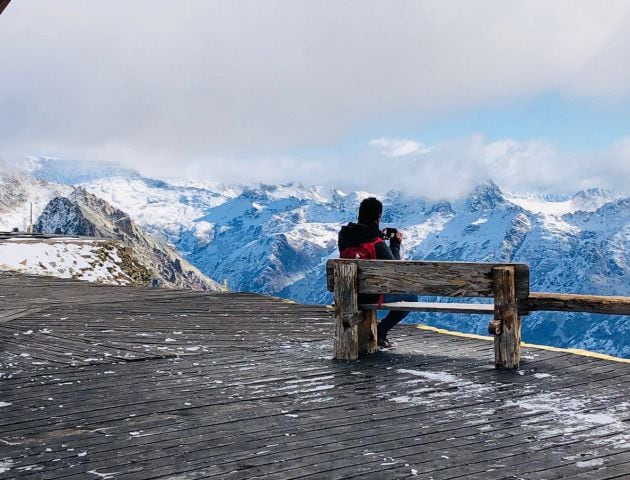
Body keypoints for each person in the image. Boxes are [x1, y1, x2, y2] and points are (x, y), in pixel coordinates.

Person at [337, 197, 417, 349]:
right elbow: (395, 272)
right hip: (372, 295)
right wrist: (395, 245)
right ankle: (381, 333)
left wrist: (378, 235)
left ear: (359, 214)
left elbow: (363, 237)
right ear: (378, 217)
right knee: (411, 296)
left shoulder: (345, 236)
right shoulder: (377, 243)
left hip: (347, 294)